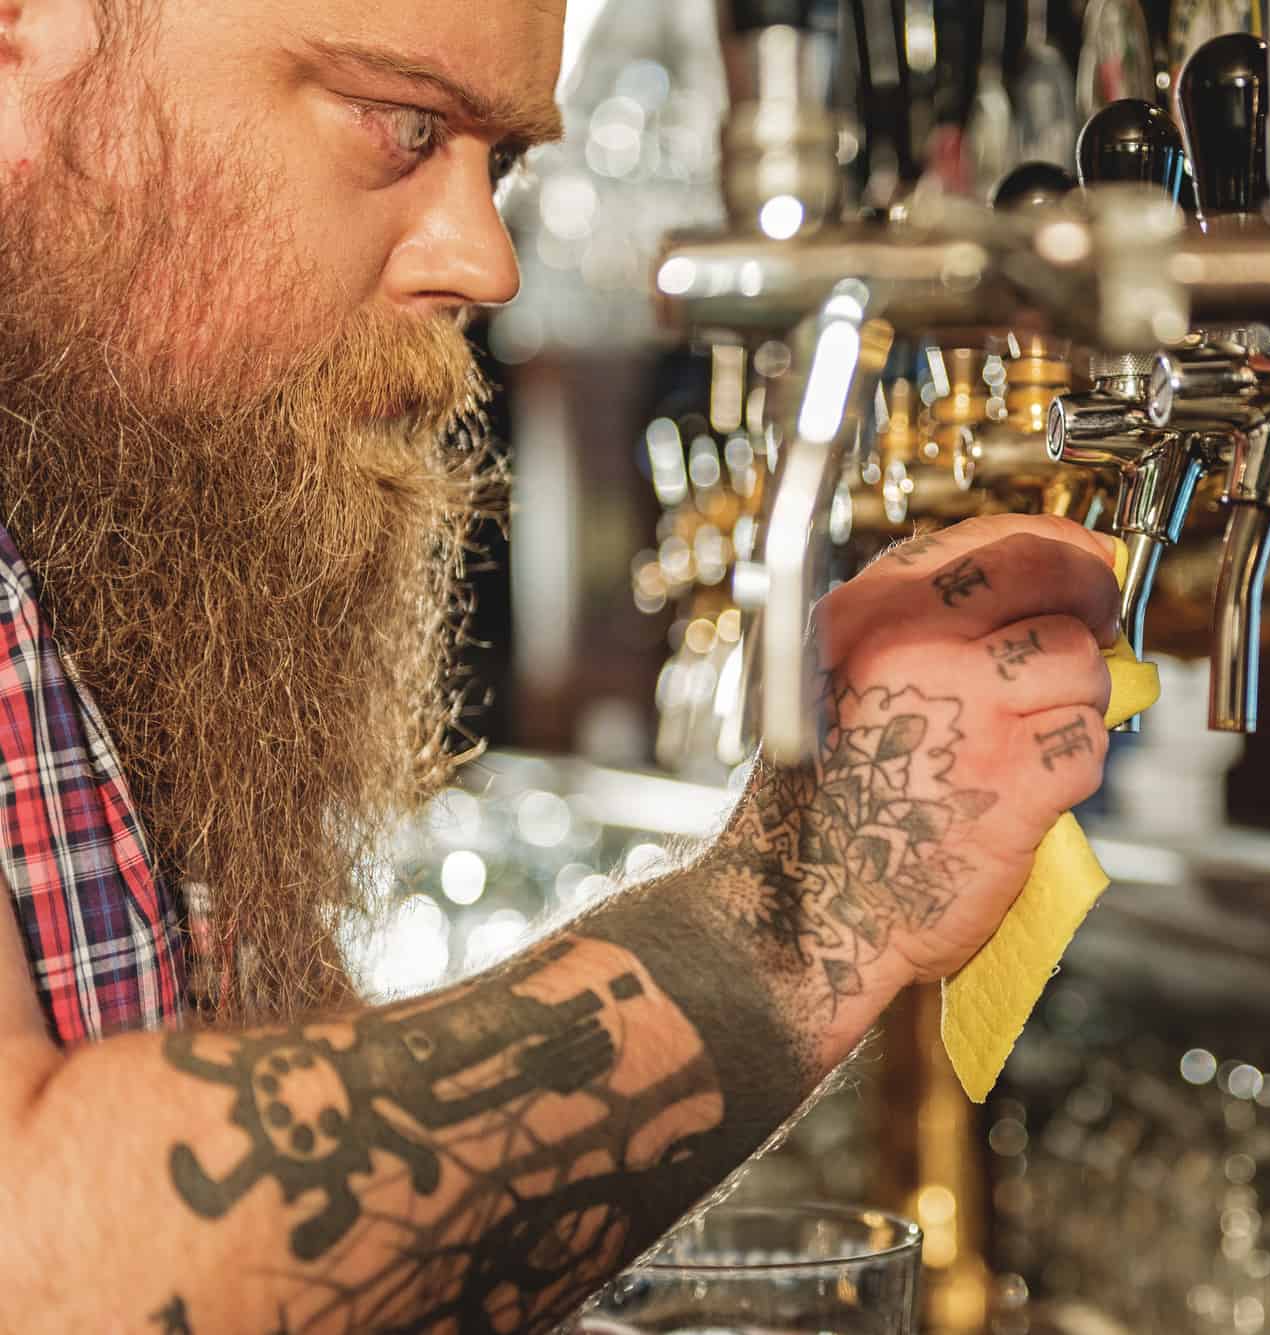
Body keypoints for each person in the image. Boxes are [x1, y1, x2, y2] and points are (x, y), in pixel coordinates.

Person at [0, 0, 1122, 1328]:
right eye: (400, 125)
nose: (488, 261)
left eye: (503, 165)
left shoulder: (112, 505)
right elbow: (46, 1259)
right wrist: (798, 911)